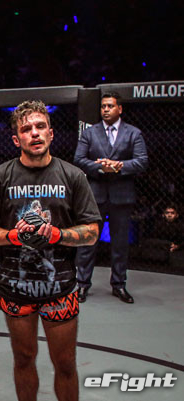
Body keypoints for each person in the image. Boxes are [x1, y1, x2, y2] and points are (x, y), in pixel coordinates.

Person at [0, 100, 101, 401]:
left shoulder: (72, 176)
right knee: (23, 358)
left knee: (66, 363)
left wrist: (58, 234)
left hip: (60, 286)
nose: (34, 133)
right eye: (26, 129)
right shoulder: (0, 177)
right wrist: (13, 236)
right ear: (16, 139)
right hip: (15, 286)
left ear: (51, 133)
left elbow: (92, 232)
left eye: (40, 126)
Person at [73, 91, 148, 303]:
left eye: (110, 106)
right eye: (103, 106)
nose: (105, 110)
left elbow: (142, 161)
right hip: (95, 195)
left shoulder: (133, 133)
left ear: (119, 109)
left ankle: (119, 285)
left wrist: (119, 166)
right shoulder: (90, 133)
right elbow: (78, 159)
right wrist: (100, 167)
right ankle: (82, 284)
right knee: (88, 242)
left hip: (121, 196)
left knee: (120, 244)